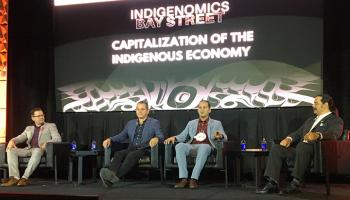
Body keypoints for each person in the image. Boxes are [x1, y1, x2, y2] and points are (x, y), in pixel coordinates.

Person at [256, 94, 343, 194]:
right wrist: (289, 138)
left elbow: (334, 134)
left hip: (316, 153)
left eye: (316, 103)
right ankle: (272, 183)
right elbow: (298, 133)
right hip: (301, 151)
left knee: (303, 146)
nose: (313, 105)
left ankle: (296, 183)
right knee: (277, 148)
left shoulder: (335, 120)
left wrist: (318, 135)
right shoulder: (310, 120)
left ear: (325, 104)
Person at [164, 100, 227, 189]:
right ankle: (184, 178)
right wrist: (174, 138)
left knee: (204, 146)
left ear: (209, 110)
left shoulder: (216, 123)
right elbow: (182, 135)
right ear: (197, 110)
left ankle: (193, 179)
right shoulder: (191, 123)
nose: (202, 110)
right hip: (192, 146)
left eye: (204, 107)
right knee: (179, 146)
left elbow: (225, 137)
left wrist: (220, 136)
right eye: (200, 107)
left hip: (206, 146)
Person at [99, 101, 164, 188]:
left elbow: (161, 136)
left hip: (145, 149)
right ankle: (112, 176)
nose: (139, 111)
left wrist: (156, 138)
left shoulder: (154, 122)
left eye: (142, 109)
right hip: (132, 148)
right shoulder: (131, 123)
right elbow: (122, 136)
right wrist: (110, 139)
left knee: (131, 155)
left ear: (148, 111)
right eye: (137, 109)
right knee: (119, 153)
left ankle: (113, 178)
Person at [1, 107, 62, 187]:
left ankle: (24, 178)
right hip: (29, 149)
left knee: (37, 150)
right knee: (11, 150)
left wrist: (47, 142)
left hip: (41, 150)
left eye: (42, 115)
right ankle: (14, 178)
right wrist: (12, 141)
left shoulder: (50, 126)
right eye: (39, 116)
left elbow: (58, 139)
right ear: (33, 118)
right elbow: (20, 137)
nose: (42, 117)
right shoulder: (29, 128)